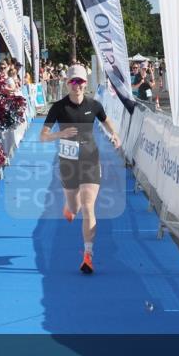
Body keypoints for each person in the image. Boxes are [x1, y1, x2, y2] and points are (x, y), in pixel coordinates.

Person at [40, 65, 121, 275]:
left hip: (90, 160)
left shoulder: (94, 105)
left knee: (88, 206)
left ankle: (88, 254)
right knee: (74, 209)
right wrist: (60, 134)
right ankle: (69, 207)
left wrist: (114, 135)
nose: (77, 85)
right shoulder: (58, 107)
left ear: (86, 84)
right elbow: (43, 136)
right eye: (73, 81)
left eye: (80, 82)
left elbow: (107, 121)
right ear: (67, 83)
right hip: (68, 163)